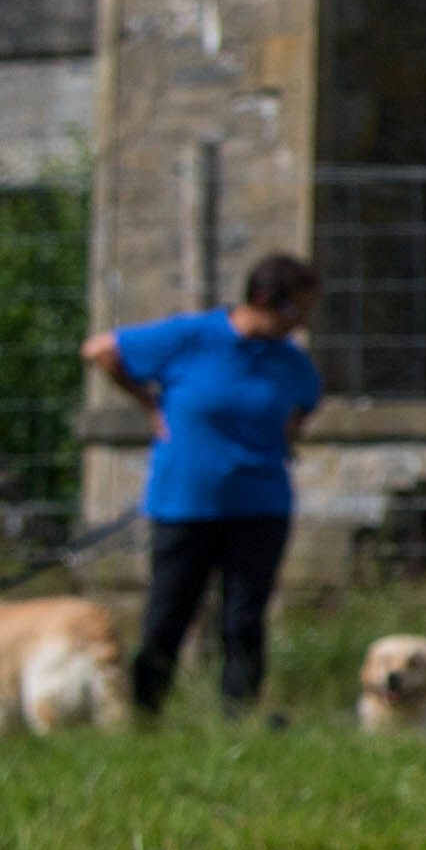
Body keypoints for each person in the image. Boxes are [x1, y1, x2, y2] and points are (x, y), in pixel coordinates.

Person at [86, 250, 325, 720]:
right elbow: (100, 350)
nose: (298, 324)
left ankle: (237, 722)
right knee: (167, 617)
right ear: (262, 299)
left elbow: (304, 406)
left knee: (243, 622)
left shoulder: (291, 362)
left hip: (260, 507)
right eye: (294, 311)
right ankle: (142, 716)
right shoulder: (192, 336)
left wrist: (279, 434)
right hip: (185, 506)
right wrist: (150, 406)